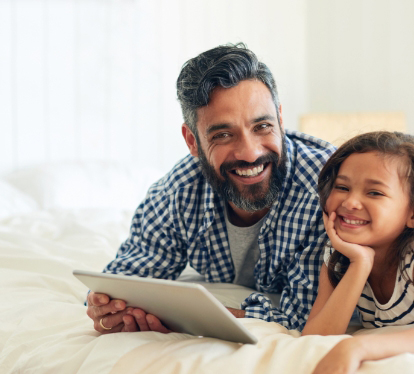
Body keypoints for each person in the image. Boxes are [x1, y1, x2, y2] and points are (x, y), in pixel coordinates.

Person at [86, 43, 335, 334]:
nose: (250, 153)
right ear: (192, 141)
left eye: (262, 126)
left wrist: (216, 316)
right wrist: (107, 307)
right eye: (224, 134)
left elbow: (308, 318)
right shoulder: (178, 192)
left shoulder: (330, 191)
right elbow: (125, 280)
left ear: (280, 119)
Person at [302, 131, 414, 374]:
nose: (350, 202)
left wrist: (358, 347)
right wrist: (360, 263)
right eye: (342, 187)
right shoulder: (337, 255)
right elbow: (316, 337)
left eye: (374, 192)